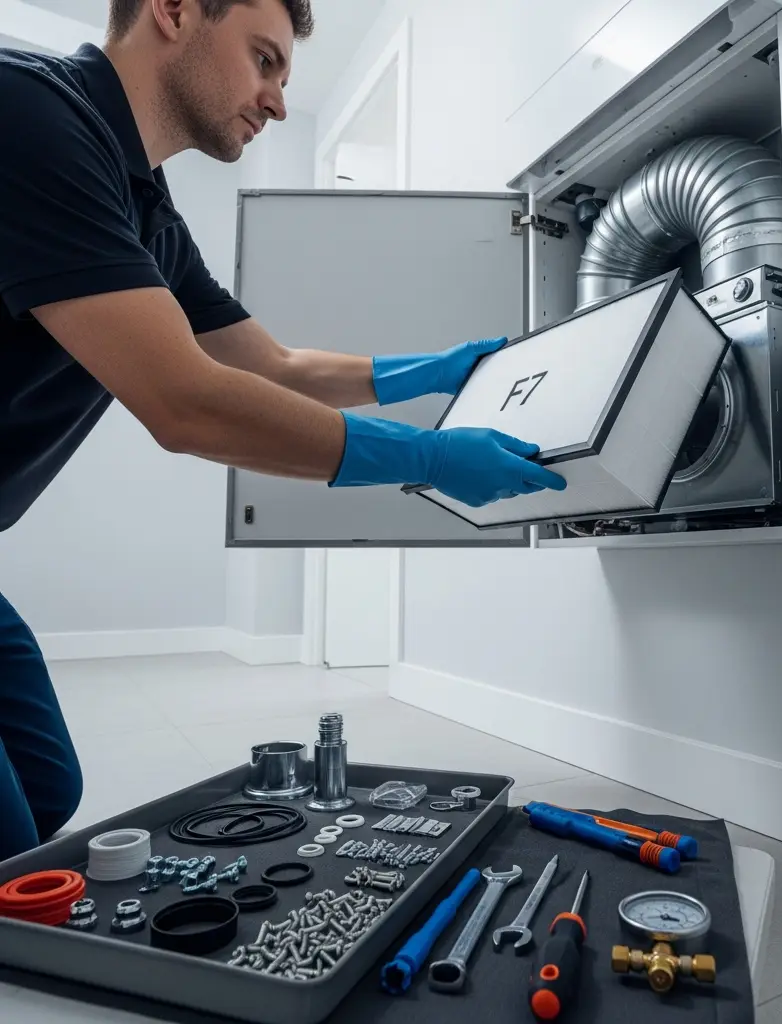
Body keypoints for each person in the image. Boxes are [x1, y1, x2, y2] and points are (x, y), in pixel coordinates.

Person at [0, 0, 566, 861]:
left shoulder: (142, 206)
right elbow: (186, 401)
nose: (277, 100)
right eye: (264, 60)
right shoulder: (30, 116)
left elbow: (273, 366)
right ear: (175, 10)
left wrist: (440, 369)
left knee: (47, 796)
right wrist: (430, 459)